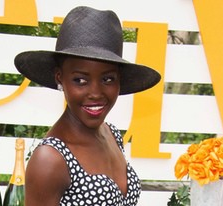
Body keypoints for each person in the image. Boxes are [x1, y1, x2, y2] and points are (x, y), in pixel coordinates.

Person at [14, 6, 161, 206]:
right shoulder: (50, 159)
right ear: (60, 77)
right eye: (80, 80)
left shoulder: (111, 134)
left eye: (108, 79)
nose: (96, 93)